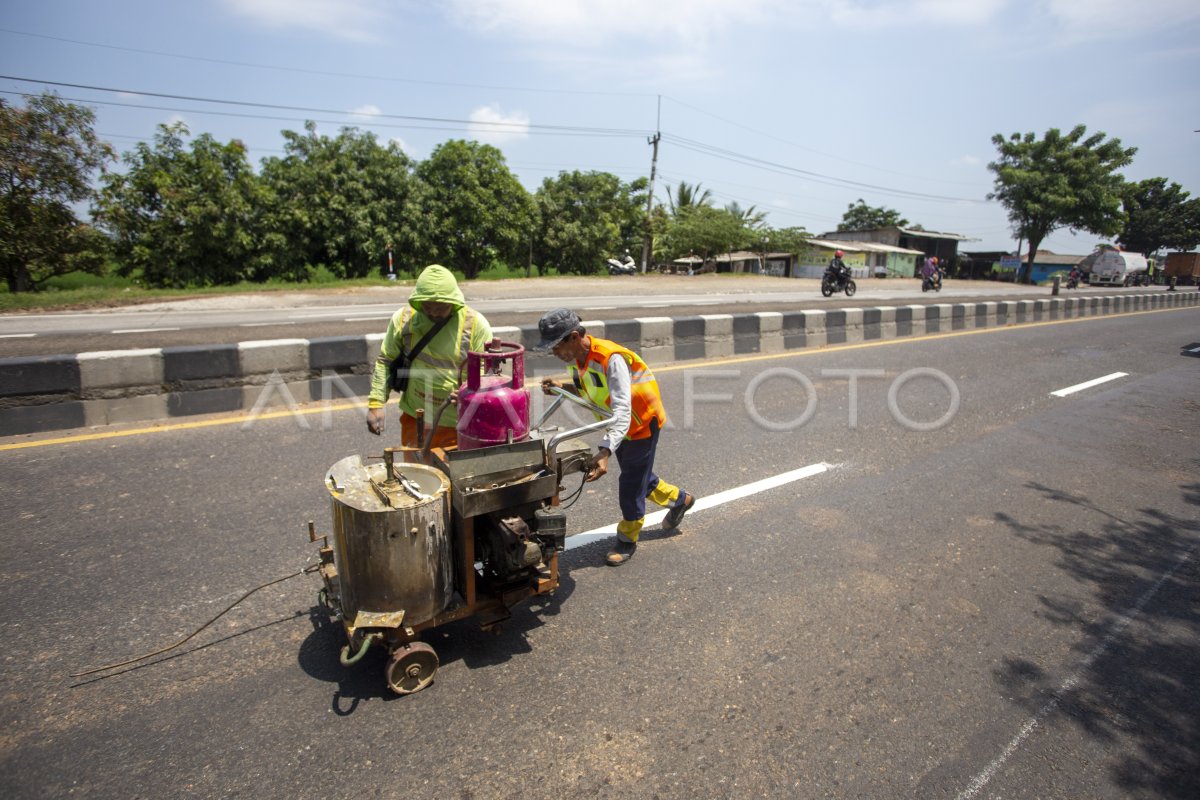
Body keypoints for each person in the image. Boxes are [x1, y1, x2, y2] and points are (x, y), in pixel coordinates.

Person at [535, 308, 695, 566]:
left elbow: (622, 410)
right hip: (620, 427)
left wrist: (605, 450)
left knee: (630, 484)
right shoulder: (578, 359)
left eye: (556, 346)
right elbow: (590, 389)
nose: (554, 352)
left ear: (574, 337)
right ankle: (680, 499)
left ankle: (627, 538)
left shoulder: (611, 359)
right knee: (639, 476)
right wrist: (560, 388)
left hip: (641, 423)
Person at [366, 264, 493, 450]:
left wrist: (469, 394)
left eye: (441, 307)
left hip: (457, 423)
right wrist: (376, 404)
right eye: (427, 306)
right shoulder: (404, 319)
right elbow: (386, 361)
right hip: (415, 418)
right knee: (415, 468)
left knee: (450, 468)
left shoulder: (475, 325)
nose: (433, 312)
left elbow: (488, 373)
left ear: (453, 302)